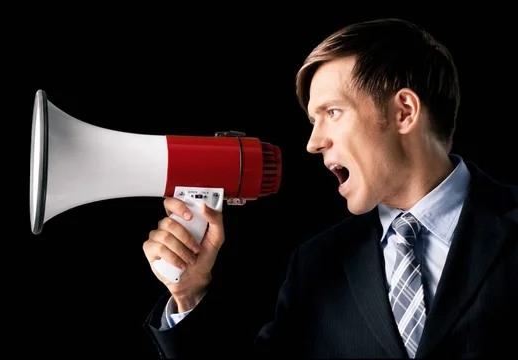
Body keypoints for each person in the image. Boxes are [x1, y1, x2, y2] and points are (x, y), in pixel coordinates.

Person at [141, 18, 518, 358]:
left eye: (332, 113)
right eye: (311, 120)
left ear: (404, 111)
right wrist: (188, 292)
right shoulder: (316, 266)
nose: (313, 142)